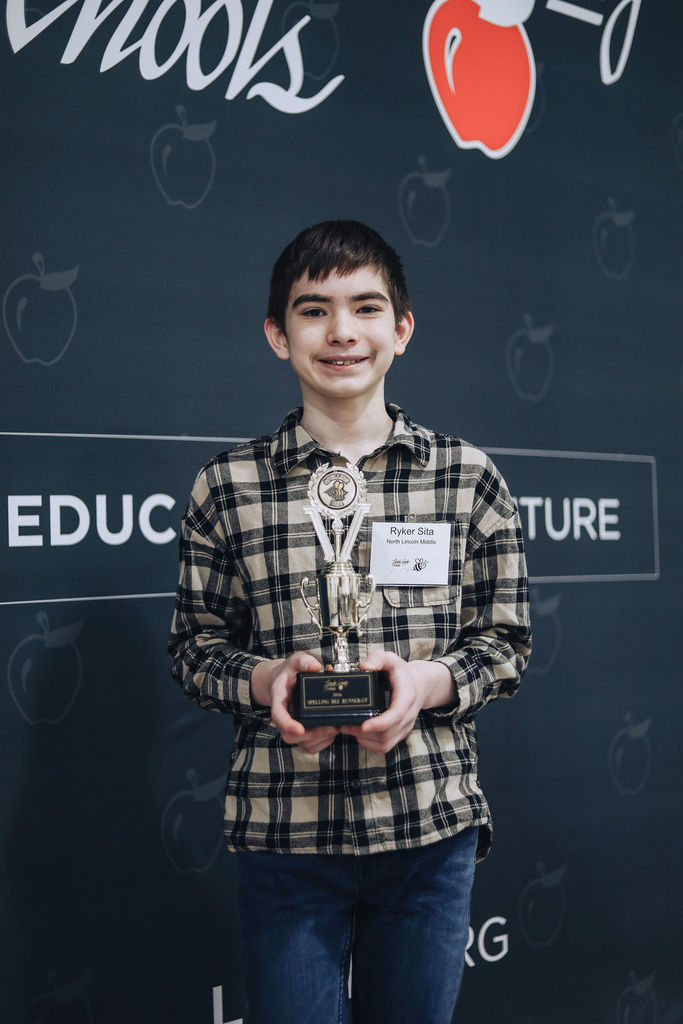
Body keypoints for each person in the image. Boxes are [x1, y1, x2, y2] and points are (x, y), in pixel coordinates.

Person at [169, 220, 531, 1024]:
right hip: (286, 833)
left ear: (400, 329)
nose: (341, 333)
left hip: (428, 828)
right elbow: (195, 649)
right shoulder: (226, 485)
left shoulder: (466, 478)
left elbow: (503, 645)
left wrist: (424, 684)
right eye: (312, 310)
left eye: (366, 308)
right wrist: (269, 680)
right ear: (276, 334)